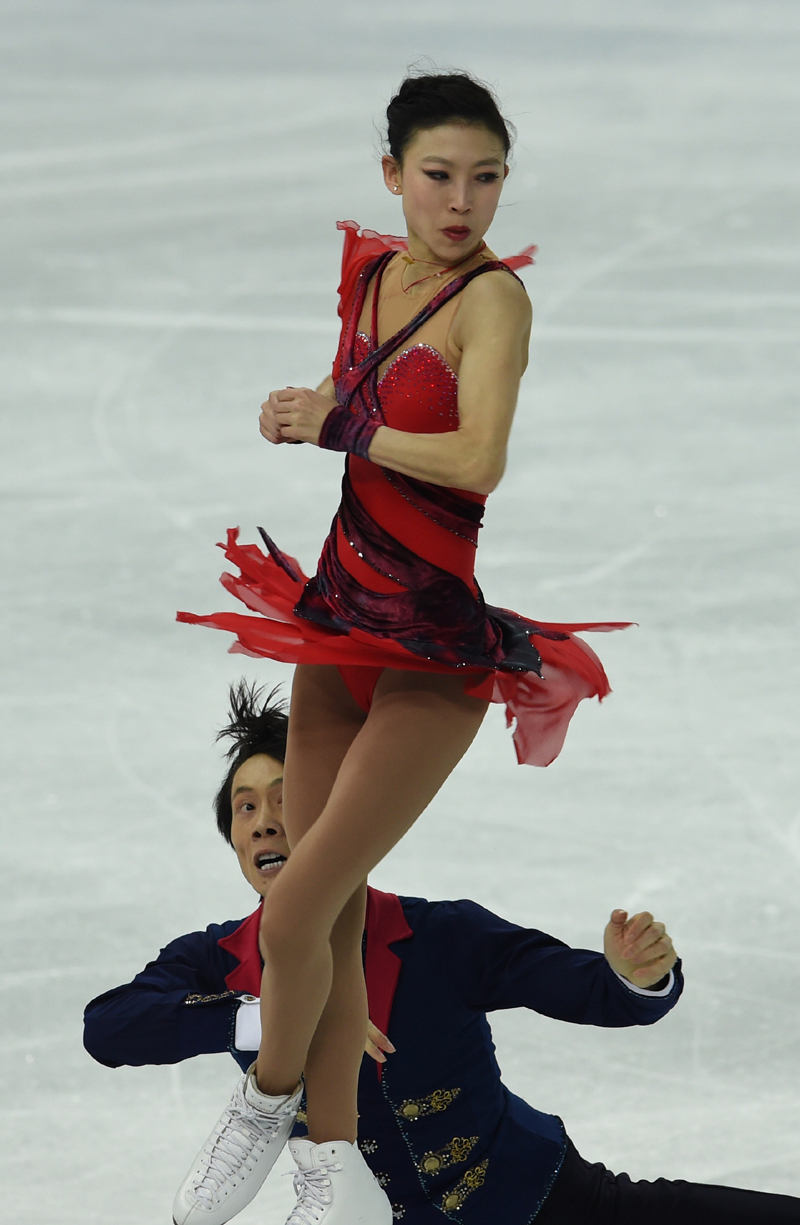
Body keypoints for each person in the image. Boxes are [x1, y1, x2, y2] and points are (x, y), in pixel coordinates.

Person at [176, 71, 629, 1224]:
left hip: (429, 644)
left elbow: (473, 458)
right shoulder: (377, 274)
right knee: (329, 917)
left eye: (484, 177)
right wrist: (310, 405)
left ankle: (263, 1106)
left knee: (295, 907)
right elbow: (364, 403)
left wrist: (341, 421)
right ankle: (329, 1178)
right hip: (336, 619)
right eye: (438, 174)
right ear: (392, 175)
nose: (461, 199)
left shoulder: (494, 303)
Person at [84, 682, 800, 1224]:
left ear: (338, 818)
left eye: (284, 798)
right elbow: (111, 1026)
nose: (267, 820)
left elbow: (591, 988)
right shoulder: (216, 960)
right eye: (245, 807)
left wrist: (636, 975)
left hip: (545, 1202)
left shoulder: (439, 936)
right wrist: (268, 1016)